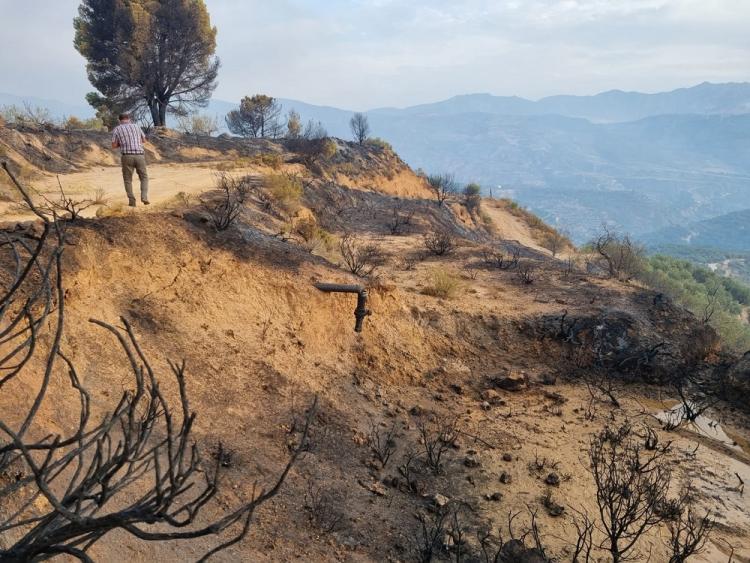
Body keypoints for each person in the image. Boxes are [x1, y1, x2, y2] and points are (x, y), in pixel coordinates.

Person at [111, 114, 149, 206]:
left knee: (128, 180)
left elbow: (114, 145)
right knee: (144, 177)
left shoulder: (117, 129)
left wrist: (122, 144)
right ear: (129, 119)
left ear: (119, 120)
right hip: (139, 155)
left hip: (127, 156)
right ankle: (144, 197)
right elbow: (144, 140)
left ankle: (132, 201)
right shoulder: (137, 126)